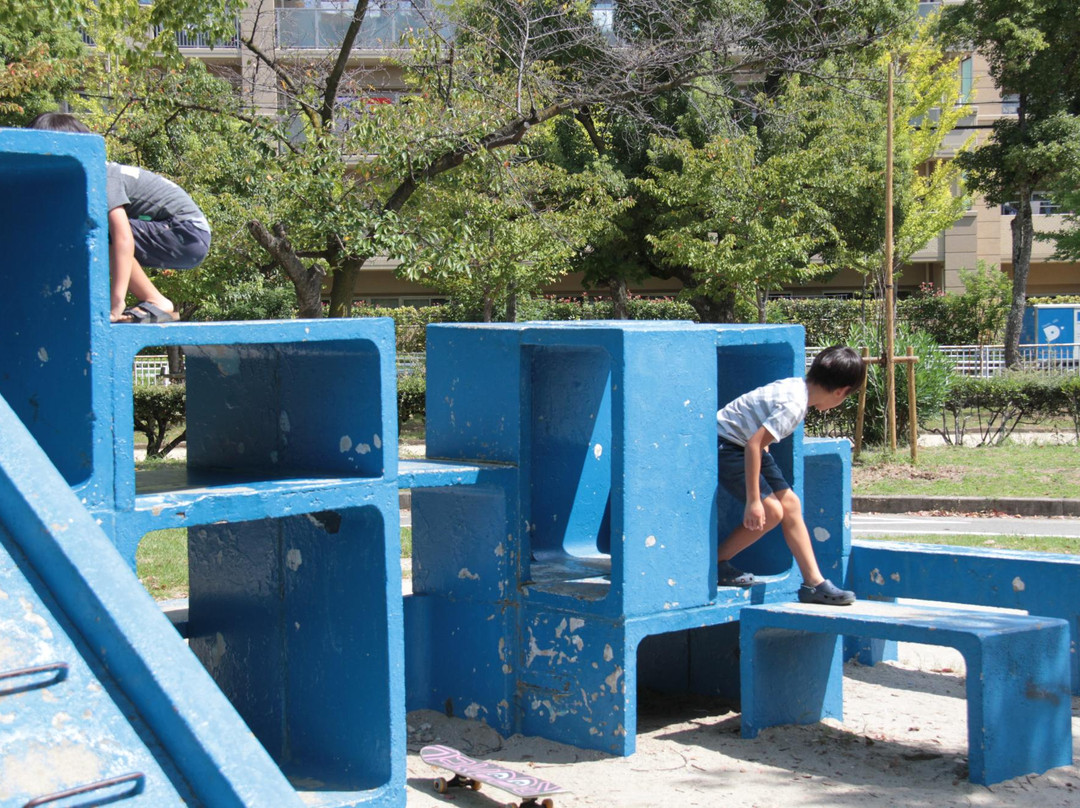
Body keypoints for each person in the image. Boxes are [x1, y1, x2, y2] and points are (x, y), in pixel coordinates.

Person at [715, 345, 866, 605]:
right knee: (771, 512)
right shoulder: (794, 406)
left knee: (791, 504)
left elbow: (757, 440)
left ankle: (814, 584)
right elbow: (753, 445)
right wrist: (754, 501)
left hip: (745, 445)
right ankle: (717, 564)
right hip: (727, 445)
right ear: (841, 391)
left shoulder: (797, 388)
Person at [28, 112, 211, 323]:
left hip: (187, 232)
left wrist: (116, 304)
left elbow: (123, 238)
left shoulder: (102, 177)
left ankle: (155, 300)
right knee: (86, 230)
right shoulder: (94, 178)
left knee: (95, 231)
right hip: (182, 234)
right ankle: (155, 299)